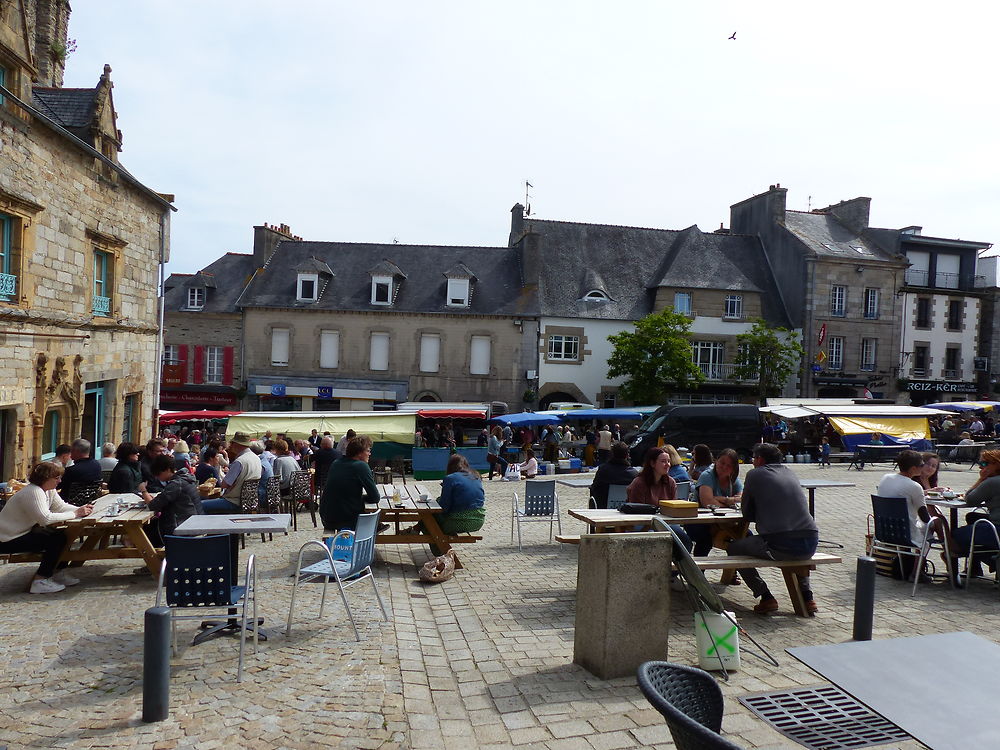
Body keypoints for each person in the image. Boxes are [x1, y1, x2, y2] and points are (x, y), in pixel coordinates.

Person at [726, 443, 819, 614]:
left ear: (759, 459)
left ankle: (765, 596)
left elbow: (747, 514)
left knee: (733, 548)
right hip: (811, 542)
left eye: (754, 458)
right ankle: (807, 598)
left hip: (781, 544)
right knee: (797, 546)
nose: (753, 462)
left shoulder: (754, 474)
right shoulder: (790, 472)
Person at [0, 461, 93, 594]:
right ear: (45, 478)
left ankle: (56, 572)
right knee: (55, 540)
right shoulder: (33, 491)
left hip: (20, 533)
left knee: (61, 535)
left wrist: (82, 509)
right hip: (7, 539)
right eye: (56, 478)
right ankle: (40, 580)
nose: (60, 481)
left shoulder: (48, 490)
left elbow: (60, 507)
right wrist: (75, 513)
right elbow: (46, 519)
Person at [875, 450, 948, 581]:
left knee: (925, 528)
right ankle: (916, 573)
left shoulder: (885, 478)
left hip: (884, 530)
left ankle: (911, 567)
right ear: (914, 468)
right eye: (922, 464)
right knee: (930, 530)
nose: (924, 467)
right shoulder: (914, 486)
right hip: (905, 533)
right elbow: (925, 517)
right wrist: (937, 521)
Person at [951, 450, 1000, 577]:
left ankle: (992, 560)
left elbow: (970, 499)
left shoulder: (992, 482)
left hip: (997, 529)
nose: (980, 466)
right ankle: (974, 567)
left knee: (955, 535)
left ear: (996, 464)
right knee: (972, 517)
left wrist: (981, 479)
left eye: (984, 463)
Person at [320, 435, 380, 531]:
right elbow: (375, 497)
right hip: (344, 519)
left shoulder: (336, 463)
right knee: (373, 521)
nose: (370, 454)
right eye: (368, 451)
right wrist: (362, 498)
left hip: (326, 515)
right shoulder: (361, 466)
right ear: (360, 453)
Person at [691, 448, 743, 555]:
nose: (724, 467)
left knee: (744, 536)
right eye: (722, 463)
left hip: (723, 522)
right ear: (716, 461)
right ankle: (698, 571)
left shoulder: (733, 479)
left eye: (729, 465)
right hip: (698, 521)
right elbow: (708, 503)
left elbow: (741, 500)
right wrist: (729, 503)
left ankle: (737, 570)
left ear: (733, 468)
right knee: (705, 540)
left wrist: (723, 499)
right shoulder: (707, 476)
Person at [146, 454, 203, 543]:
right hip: (195, 522)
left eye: (158, 474)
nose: (157, 477)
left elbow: (153, 505)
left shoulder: (176, 484)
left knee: (147, 532)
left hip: (184, 528)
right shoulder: (185, 478)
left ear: (168, 469)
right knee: (152, 525)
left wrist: (143, 491)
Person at [203, 431, 262, 514]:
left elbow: (224, 484)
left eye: (232, 443)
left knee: (199, 505)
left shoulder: (240, 461)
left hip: (234, 501)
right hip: (249, 501)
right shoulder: (256, 458)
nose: (230, 445)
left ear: (237, 444)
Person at [589, 441, 638, 509]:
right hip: (627, 509)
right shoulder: (633, 474)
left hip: (603, 508)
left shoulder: (603, 470)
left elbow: (594, 487)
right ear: (627, 455)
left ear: (612, 454)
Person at [248, 440, 274, 507]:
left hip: (262, 495)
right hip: (270, 494)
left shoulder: (260, 464)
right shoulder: (264, 460)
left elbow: (252, 479)